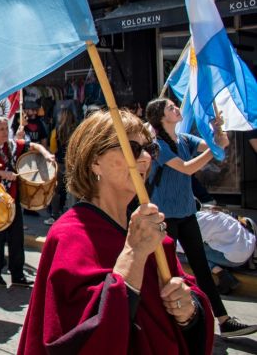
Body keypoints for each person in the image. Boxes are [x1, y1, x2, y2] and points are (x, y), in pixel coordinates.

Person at [18, 109, 214, 354]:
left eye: (149, 149)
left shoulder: (150, 233)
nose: (145, 158)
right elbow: (75, 337)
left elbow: (188, 305)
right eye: (132, 148)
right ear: (95, 161)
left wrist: (189, 311)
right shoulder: (71, 235)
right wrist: (133, 254)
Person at [146, 97, 257, 338]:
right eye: (170, 108)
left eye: (175, 106)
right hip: (165, 218)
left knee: (201, 269)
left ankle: (224, 321)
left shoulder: (184, 139)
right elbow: (187, 167)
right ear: (160, 118)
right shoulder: (157, 146)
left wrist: (218, 131)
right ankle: (168, 324)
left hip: (187, 213)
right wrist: (213, 149)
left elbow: (220, 145)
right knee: (166, 272)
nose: (177, 108)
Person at [0, 116, 54, 287]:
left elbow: (33, 145)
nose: (5, 132)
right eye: (1, 129)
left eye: (6, 128)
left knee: (16, 238)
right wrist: (1, 174)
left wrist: (46, 153)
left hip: (12, 200)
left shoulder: (12, 146)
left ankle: (17, 274)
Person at [179, 206, 256, 295]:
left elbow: (182, 246)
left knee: (187, 252)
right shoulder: (213, 212)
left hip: (236, 258)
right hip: (247, 248)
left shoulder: (199, 221)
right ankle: (222, 270)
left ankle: (222, 275)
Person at [44, 108, 76, 225]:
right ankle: (70, 216)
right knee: (70, 191)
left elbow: (53, 148)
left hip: (59, 163)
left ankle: (54, 215)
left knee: (55, 190)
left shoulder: (56, 131)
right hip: (71, 163)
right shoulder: (76, 131)